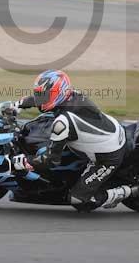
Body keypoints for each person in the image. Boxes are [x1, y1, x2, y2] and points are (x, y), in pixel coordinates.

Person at [11, 69, 131, 210]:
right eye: (39, 94)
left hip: (108, 157)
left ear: (57, 93)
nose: (39, 99)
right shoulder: (72, 94)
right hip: (110, 130)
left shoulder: (63, 122)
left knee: (79, 200)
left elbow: (51, 160)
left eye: (43, 95)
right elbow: (39, 100)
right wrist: (18, 104)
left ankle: (124, 192)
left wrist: (27, 161)